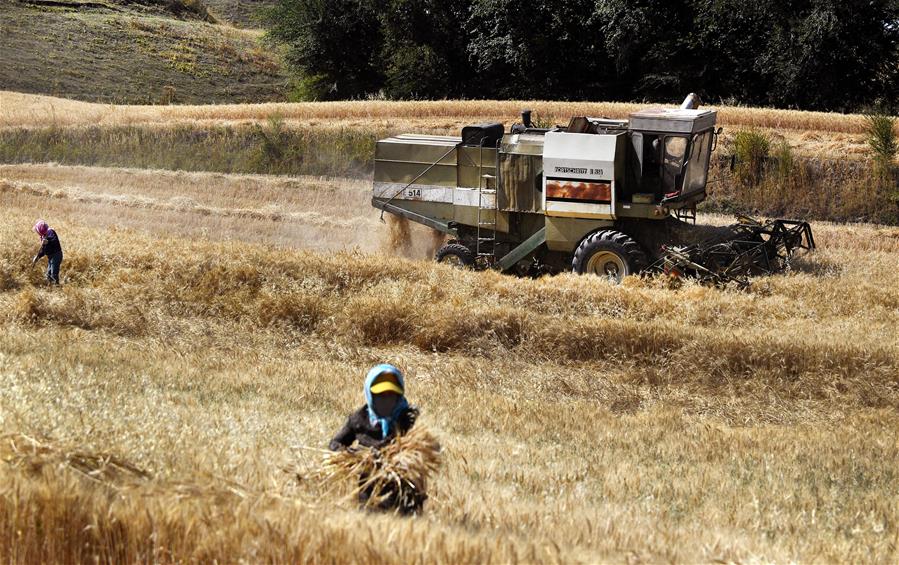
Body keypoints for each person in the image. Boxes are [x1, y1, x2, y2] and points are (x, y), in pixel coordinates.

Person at [329, 364, 425, 514]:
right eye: (380, 396)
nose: (386, 401)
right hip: (368, 487)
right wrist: (349, 454)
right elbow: (335, 443)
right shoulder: (359, 420)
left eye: (391, 396)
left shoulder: (407, 418)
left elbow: (397, 442)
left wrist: (373, 453)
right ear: (370, 395)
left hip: (401, 489)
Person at [31, 220, 63, 284]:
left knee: (53, 273)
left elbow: (54, 241)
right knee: (48, 274)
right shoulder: (43, 236)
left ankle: (56, 287)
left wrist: (48, 241)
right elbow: (43, 250)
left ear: (40, 231)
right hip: (51, 257)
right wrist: (38, 257)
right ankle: (50, 286)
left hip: (56, 255)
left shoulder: (50, 232)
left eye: (37, 231)